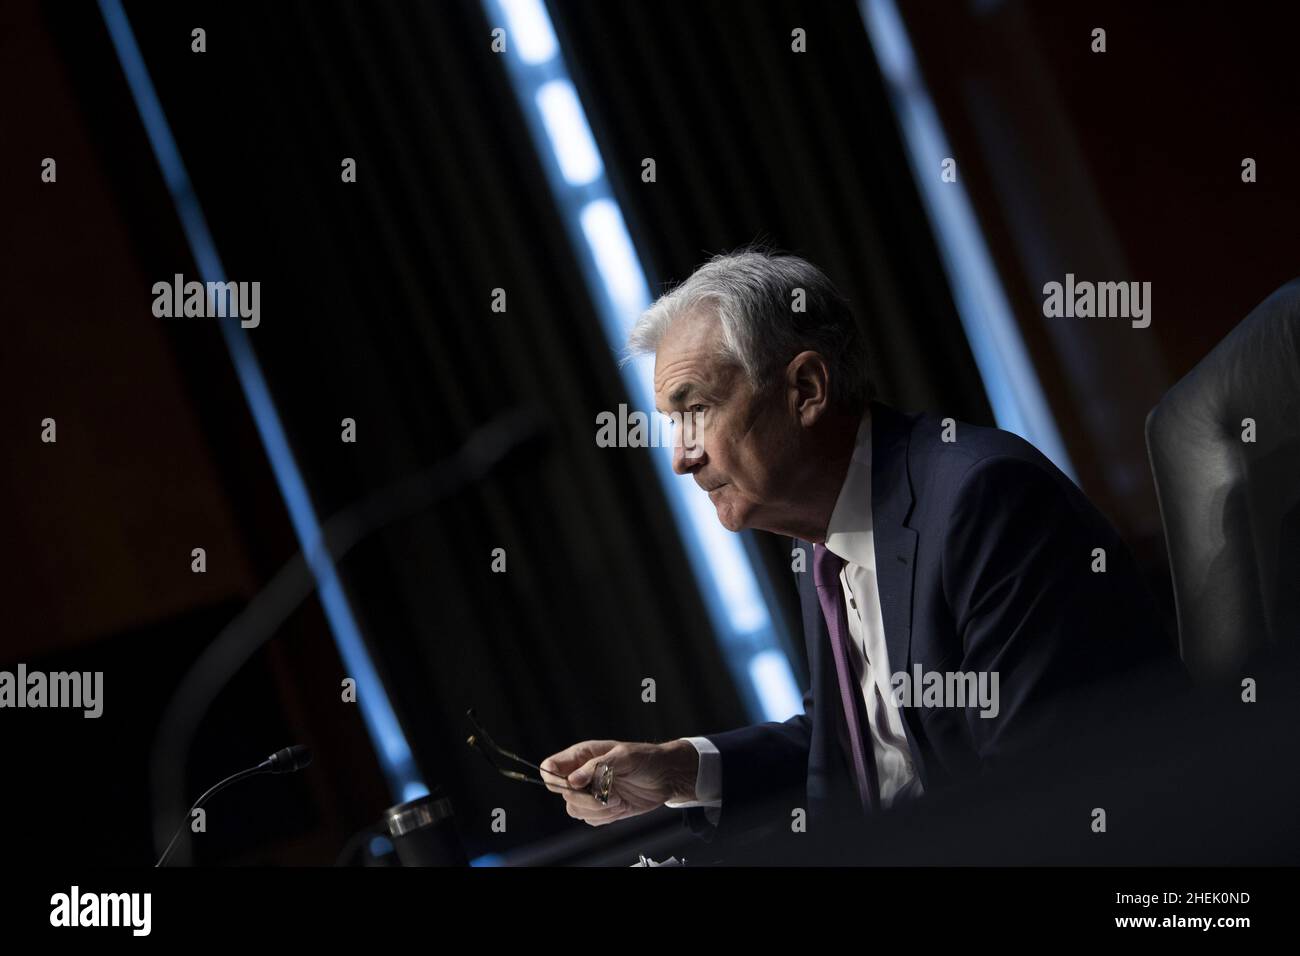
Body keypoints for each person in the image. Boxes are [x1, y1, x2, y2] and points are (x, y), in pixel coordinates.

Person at [540, 248, 1181, 847]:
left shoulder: (982, 501)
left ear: (807, 391)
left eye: (697, 409)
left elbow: (1046, 793)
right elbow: (853, 746)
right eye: (672, 424)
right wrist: (681, 770)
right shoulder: (823, 539)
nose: (682, 457)